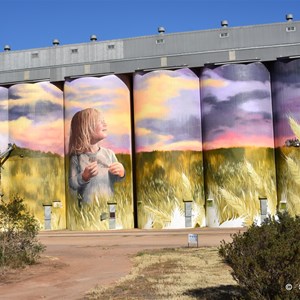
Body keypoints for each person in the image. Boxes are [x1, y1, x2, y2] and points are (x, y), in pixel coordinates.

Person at [68, 108, 125, 205]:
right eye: (100, 121)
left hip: (109, 205)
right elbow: (72, 184)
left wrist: (121, 173)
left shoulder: (109, 154)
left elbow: (116, 179)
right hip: (87, 210)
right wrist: (84, 177)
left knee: (110, 220)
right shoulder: (77, 158)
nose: (105, 124)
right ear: (86, 128)